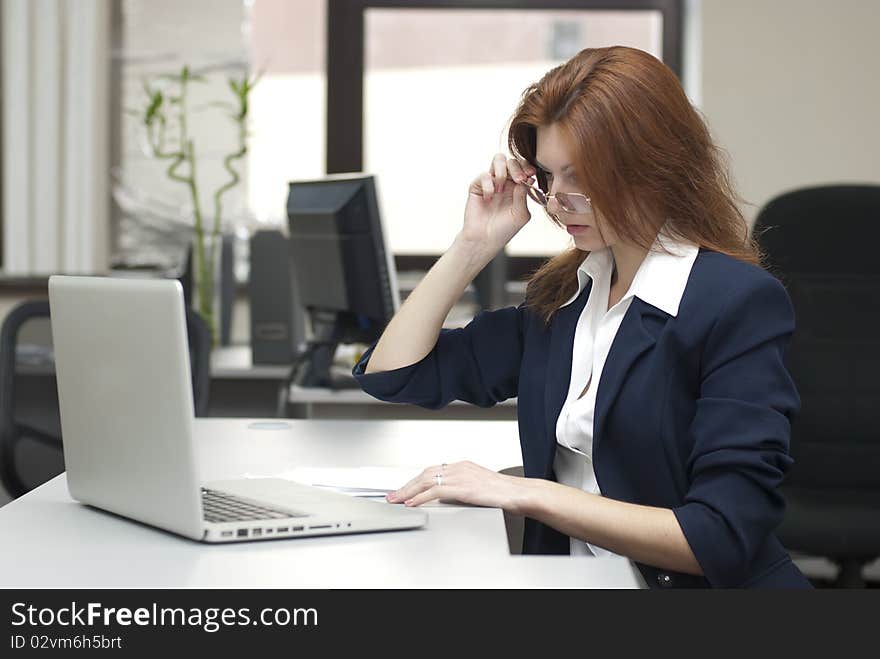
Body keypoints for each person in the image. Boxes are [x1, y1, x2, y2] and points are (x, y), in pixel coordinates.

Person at [352, 46, 812, 589]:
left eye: (583, 176)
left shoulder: (734, 303)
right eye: (549, 176)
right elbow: (396, 375)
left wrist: (526, 493)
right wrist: (472, 246)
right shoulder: (566, 296)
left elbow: (719, 536)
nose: (559, 202)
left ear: (656, 165)